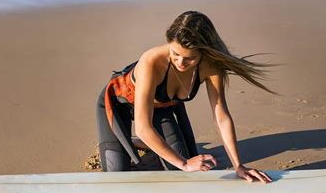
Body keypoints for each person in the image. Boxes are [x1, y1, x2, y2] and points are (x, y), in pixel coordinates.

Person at [96, 11, 273, 183]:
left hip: (160, 109)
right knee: (117, 176)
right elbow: (142, 127)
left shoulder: (211, 67)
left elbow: (221, 117)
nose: (181, 63)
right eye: (175, 54)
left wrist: (238, 166)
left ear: (204, 52)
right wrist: (184, 163)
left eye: (190, 58)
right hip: (118, 106)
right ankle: (131, 141)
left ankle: (144, 144)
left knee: (179, 171)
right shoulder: (151, 61)